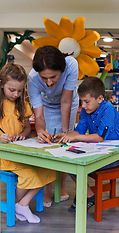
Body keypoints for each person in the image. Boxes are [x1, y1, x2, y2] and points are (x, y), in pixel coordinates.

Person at [0, 63, 56, 223]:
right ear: (1, 84)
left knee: (48, 170)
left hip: (20, 153)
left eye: (20, 91)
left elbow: (27, 128)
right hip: (2, 157)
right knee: (31, 175)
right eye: (11, 90)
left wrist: (22, 134)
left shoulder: (23, 106)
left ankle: (19, 205)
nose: (16, 94)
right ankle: (19, 205)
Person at [54, 77, 119, 212]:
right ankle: (90, 195)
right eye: (81, 101)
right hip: (97, 151)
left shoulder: (108, 109)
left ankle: (87, 195)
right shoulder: (87, 111)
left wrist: (75, 137)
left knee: (78, 165)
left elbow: (99, 137)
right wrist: (66, 135)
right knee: (69, 162)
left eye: (86, 101)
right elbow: (79, 131)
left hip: (113, 155)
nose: (83, 106)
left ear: (99, 98)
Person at [28, 45, 79, 206]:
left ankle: (61, 186)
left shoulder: (70, 64)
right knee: (47, 142)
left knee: (63, 143)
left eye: (53, 77)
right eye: (44, 78)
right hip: (47, 105)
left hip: (67, 102)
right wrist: (40, 130)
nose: (49, 82)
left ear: (61, 70)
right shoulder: (32, 78)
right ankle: (47, 187)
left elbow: (65, 101)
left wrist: (65, 132)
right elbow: (39, 115)